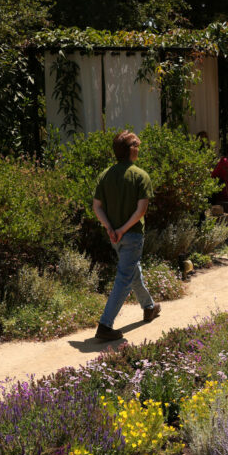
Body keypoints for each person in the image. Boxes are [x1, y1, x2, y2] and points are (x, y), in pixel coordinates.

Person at [92, 130, 161, 341]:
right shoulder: (140, 176)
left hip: (115, 238)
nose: (138, 150)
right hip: (130, 235)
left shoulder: (105, 175)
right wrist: (122, 230)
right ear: (131, 150)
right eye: (137, 146)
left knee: (132, 271)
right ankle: (105, 325)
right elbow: (141, 211)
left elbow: (97, 207)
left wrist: (110, 229)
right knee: (124, 278)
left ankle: (149, 307)